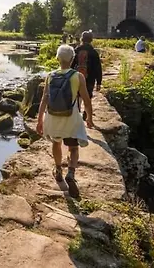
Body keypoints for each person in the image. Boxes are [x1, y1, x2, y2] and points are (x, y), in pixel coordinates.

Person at [36, 45, 94, 198]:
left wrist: (39, 120)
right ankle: (71, 172)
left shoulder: (50, 75)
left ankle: (58, 170)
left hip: (53, 117)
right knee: (73, 148)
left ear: (57, 58)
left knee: (56, 143)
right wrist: (89, 118)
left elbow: (44, 100)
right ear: (72, 59)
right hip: (71, 118)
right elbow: (87, 101)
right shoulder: (78, 76)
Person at [72, 31, 102, 118]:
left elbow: (71, 65)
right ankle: (86, 113)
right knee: (88, 94)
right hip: (90, 78)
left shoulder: (77, 50)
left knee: (78, 94)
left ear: (82, 39)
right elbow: (98, 68)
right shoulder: (94, 52)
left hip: (77, 77)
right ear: (91, 40)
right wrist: (99, 82)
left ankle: (77, 111)